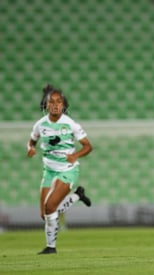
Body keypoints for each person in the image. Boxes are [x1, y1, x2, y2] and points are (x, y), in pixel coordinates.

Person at [27, 84, 93, 254]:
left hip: (67, 170)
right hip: (49, 170)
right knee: (45, 214)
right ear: (46, 105)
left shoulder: (71, 124)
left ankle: (51, 248)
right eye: (52, 102)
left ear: (63, 105)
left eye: (59, 102)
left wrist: (75, 155)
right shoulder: (40, 125)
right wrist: (31, 148)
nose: (55, 105)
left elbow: (88, 146)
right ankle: (78, 196)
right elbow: (32, 140)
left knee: (51, 208)